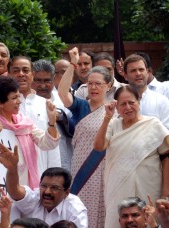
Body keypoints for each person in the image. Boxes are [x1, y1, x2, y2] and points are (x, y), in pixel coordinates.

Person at [94, 85, 169, 227]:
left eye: (131, 103)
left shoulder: (153, 125)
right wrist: (106, 118)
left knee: (149, 221)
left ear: (139, 102)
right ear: (116, 107)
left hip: (149, 186)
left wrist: (165, 194)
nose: (128, 107)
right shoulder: (113, 125)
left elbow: (166, 158)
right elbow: (98, 146)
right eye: (123, 104)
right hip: (118, 186)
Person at [58, 47, 112, 227]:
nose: (94, 87)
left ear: (108, 86)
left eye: (98, 84)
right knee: (79, 206)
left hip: (105, 168)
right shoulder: (81, 106)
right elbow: (62, 93)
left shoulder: (115, 111)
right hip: (81, 165)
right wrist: (73, 64)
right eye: (90, 84)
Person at [0, 76, 60, 188]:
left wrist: (51, 122)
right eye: (14, 98)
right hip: (3, 189)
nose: (19, 101)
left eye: (18, 96)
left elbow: (49, 144)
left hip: (28, 190)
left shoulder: (24, 123)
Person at [0, 143, 88, 227]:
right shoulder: (36, 197)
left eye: (54, 188)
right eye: (44, 186)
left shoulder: (75, 209)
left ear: (66, 192)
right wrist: (12, 169)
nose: (47, 192)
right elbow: (15, 192)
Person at [122, 54, 169, 141]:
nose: (138, 73)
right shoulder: (118, 103)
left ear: (147, 72)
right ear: (125, 75)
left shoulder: (161, 101)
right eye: (133, 71)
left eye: (141, 69)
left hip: (156, 154)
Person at [32, 59, 73, 171]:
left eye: (47, 81)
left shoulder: (62, 98)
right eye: (38, 81)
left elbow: (75, 125)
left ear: (54, 79)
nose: (43, 85)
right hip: (36, 160)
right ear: (31, 78)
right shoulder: (24, 102)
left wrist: (61, 116)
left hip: (62, 158)